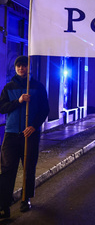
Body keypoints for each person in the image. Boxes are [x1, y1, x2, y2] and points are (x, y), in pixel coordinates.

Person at [0, 56, 49, 218]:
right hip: (12, 133)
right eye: (19, 66)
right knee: (7, 169)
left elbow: (44, 110)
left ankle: (25, 198)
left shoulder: (38, 87)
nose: (21, 68)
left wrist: (33, 126)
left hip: (30, 135)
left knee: (28, 167)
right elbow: (2, 108)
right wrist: (18, 100)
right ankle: (4, 204)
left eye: (24, 66)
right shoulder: (9, 87)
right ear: (15, 68)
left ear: (29, 68)